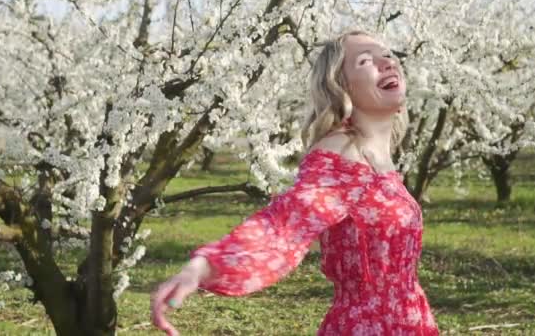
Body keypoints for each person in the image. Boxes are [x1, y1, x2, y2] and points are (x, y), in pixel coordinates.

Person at [151, 30, 439, 336]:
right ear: (341, 86)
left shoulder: (377, 156)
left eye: (389, 56)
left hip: (412, 322)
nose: (386, 63)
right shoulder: (340, 153)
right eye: (366, 61)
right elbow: (285, 223)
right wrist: (205, 265)